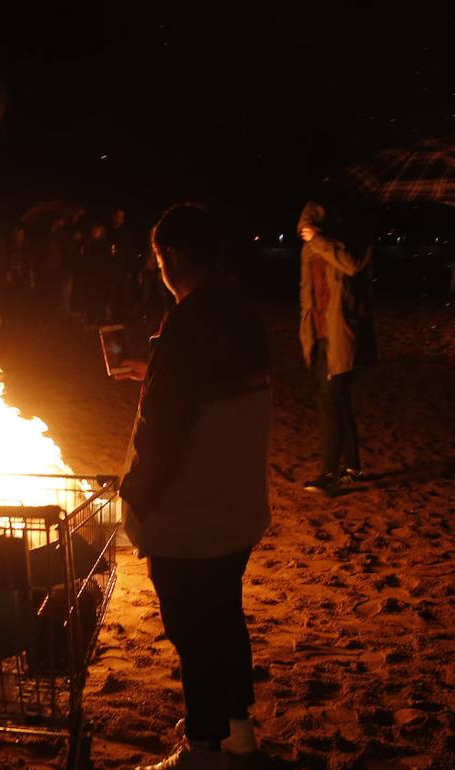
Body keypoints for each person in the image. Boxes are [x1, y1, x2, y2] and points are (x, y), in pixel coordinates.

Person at [118, 203, 272, 770]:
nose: (159, 270)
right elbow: (214, 392)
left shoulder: (185, 325)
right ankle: (238, 733)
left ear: (173, 257)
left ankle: (203, 751)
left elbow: (162, 431)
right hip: (237, 506)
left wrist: (134, 497)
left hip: (193, 512)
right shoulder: (238, 313)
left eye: (159, 260)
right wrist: (154, 366)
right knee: (223, 617)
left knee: (192, 630)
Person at [297, 189, 377, 494]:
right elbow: (307, 294)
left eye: (310, 224)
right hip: (319, 335)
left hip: (343, 334)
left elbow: (351, 265)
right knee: (335, 400)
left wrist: (319, 240)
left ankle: (330, 471)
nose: (305, 231)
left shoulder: (351, 241)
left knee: (332, 399)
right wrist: (306, 334)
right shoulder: (309, 251)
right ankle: (352, 467)